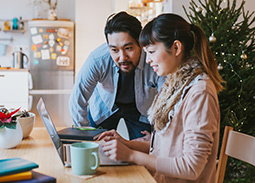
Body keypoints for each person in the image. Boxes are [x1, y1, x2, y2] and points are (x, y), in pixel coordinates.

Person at [96, 13, 224, 183]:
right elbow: (165, 149)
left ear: (176, 48)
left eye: (151, 52)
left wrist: (131, 155)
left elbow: (192, 168)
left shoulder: (199, 93)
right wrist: (126, 144)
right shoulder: (175, 86)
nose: (147, 60)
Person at [69, 11, 165, 140]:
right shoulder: (98, 59)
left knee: (144, 149)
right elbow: (77, 98)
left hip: (141, 109)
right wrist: (85, 136)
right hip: (104, 106)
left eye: (128, 48)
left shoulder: (154, 60)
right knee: (97, 148)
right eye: (114, 50)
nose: (122, 57)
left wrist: (159, 137)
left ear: (140, 43)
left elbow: (168, 101)